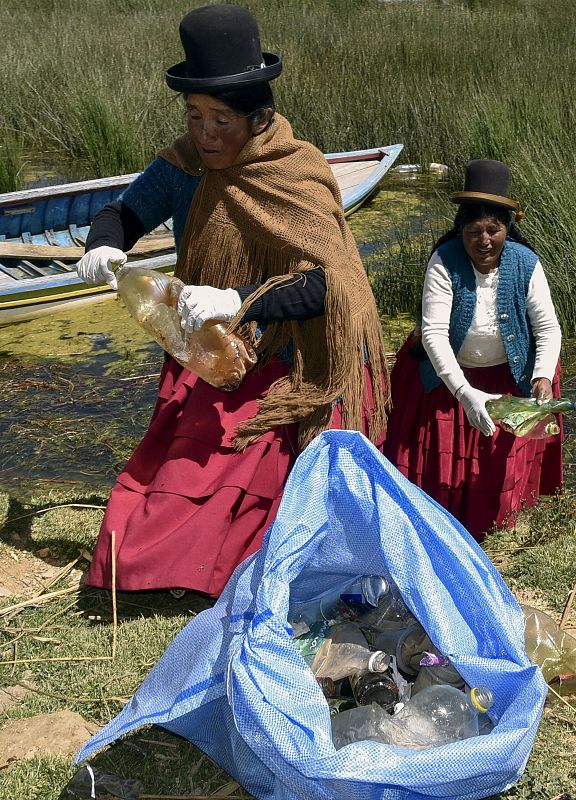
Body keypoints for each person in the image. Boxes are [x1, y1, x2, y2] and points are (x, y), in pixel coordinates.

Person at [76, 4, 390, 597]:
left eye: (221, 119)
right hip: (208, 356)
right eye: (194, 116)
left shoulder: (295, 171)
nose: (205, 134)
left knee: (254, 499)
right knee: (158, 509)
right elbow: (123, 212)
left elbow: (330, 285)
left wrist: (236, 299)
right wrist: (104, 245)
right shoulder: (183, 167)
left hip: (281, 365)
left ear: (259, 116)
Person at [384, 159, 562, 540]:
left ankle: (497, 529)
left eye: (494, 230)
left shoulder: (526, 263)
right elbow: (433, 333)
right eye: (473, 231)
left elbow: (547, 327)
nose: (484, 241)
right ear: (460, 231)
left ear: (507, 229)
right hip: (449, 376)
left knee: (498, 469)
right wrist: (464, 393)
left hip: (509, 375)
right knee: (442, 476)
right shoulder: (443, 261)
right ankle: (440, 530)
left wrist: (542, 377)